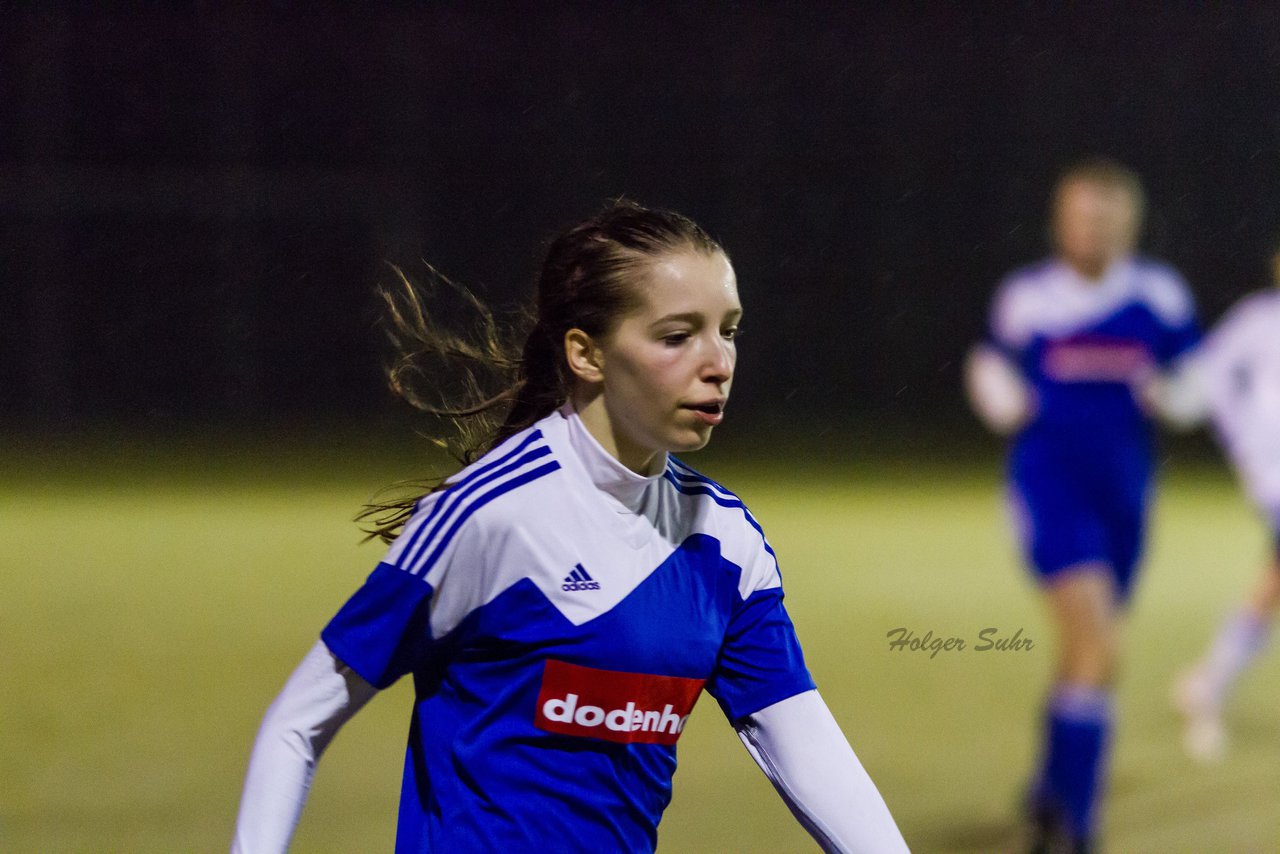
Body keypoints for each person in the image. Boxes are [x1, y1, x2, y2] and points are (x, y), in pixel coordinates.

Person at [231, 200, 908, 853]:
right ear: (586, 354)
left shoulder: (726, 543)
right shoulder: (491, 515)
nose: (719, 363)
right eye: (677, 336)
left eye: (727, 330)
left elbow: (804, 745)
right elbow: (298, 723)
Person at [964, 159, 1201, 852]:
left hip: (1126, 494)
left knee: (1086, 653)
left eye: (1108, 216)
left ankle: (1047, 791)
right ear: (1060, 222)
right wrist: (1001, 396)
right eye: (1082, 215)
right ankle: (1078, 827)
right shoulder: (1030, 296)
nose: (1094, 228)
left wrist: (1182, 395)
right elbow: (991, 364)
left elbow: (1195, 373)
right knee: (1098, 645)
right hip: (1049, 488)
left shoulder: (1158, 293)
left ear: (1130, 222)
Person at [1171, 252, 1280, 762]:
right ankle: (1208, 683)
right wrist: (1245, 447)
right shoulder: (1259, 320)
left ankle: (1207, 681)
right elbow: (1209, 380)